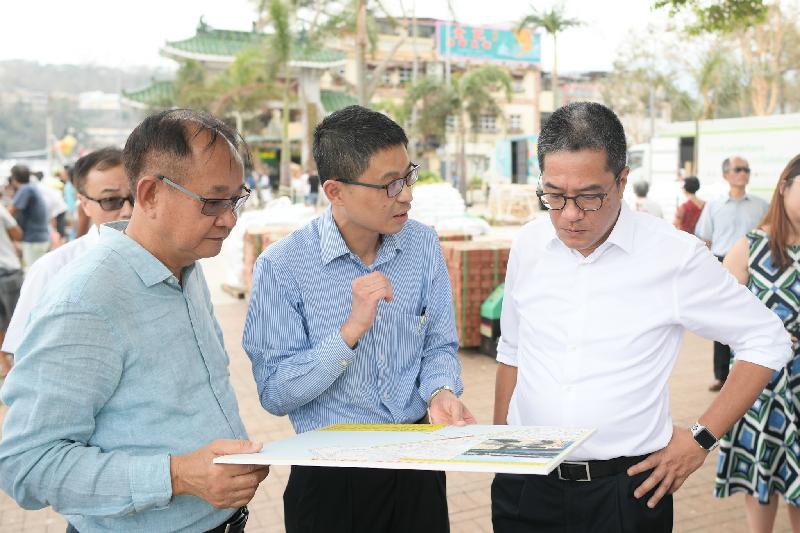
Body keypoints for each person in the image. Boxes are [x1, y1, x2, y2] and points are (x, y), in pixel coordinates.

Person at [492, 102, 791, 533]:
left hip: (624, 492)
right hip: (527, 486)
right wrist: (501, 449)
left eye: (590, 196)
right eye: (554, 195)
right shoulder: (529, 244)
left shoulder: (674, 256)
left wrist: (702, 437)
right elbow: (513, 351)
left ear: (622, 180)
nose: (571, 213)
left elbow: (768, 339)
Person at [0, 109, 268, 532]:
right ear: (149, 195)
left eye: (236, 199)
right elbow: (27, 465)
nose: (230, 219)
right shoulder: (86, 300)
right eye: (213, 201)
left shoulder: (188, 265)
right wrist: (178, 476)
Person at [243, 105, 472, 533]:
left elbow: (439, 344)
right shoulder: (283, 267)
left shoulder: (422, 245)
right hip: (331, 475)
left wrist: (441, 390)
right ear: (335, 191)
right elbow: (275, 392)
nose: (405, 194)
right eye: (389, 184)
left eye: (408, 176)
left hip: (416, 464)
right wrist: (348, 333)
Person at [715, 154, 800, 532]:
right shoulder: (750, 247)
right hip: (761, 388)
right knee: (762, 485)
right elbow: (719, 317)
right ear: (784, 187)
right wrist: (765, 337)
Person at [1, 147, 133, 368]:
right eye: (111, 200)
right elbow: (23, 350)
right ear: (84, 204)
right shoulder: (53, 268)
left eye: (135, 198)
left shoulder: (171, 262)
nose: (128, 211)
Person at [695, 156, 769, 392]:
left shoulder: (761, 205)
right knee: (723, 322)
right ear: (726, 175)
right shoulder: (714, 205)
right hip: (722, 265)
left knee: (753, 319)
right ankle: (721, 375)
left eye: (746, 169)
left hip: (755, 267)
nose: (743, 173)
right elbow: (704, 238)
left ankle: (753, 373)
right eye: (738, 169)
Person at [7, 165, 50, 267]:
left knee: (33, 273)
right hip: (40, 238)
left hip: (33, 240)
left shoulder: (25, 189)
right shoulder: (31, 187)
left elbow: (9, 211)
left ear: (14, 178)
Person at [0, 202, 23, 378]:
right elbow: (17, 233)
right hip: (7, 271)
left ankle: (6, 367)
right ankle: (20, 365)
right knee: (20, 320)